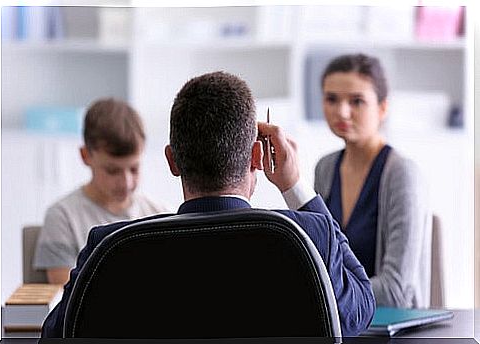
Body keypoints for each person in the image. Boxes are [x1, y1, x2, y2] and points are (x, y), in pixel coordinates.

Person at [41, 71, 375, 337]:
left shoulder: (113, 246)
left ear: (172, 160)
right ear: (257, 156)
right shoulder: (308, 234)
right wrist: (293, 185)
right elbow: (360, 307)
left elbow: (55, 335)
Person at [314, 53, 432, 308]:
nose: (342, 112)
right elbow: (317, 261)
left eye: (357, 101)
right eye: (331, 99)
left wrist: (323, 293)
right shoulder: (325, 168)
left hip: (390, 329)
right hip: (341, 325)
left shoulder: (401, 173)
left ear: (382, 108)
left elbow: (395, 292)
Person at [33, 98, 169, 285]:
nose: (126, 182)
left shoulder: (161, 215)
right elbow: (66, 302)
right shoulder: (62, 218)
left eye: (134, 169)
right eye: (112, 171)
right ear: (86, 155)